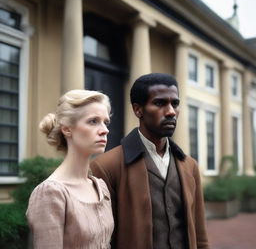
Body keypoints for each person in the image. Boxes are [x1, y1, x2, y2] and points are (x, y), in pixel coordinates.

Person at [91, 73, 209, 249]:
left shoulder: (189, 165)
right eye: (160, 103)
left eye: (175, 104)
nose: (170, 112)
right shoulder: (106, 166)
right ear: (138, 109)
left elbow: (200, 235)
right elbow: (103, 239)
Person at [26, 89, 114, 249]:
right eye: (93, 121)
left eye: (105, 122)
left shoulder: (100, 187)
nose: (105, 130)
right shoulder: (51, 193)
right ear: (67, 129)